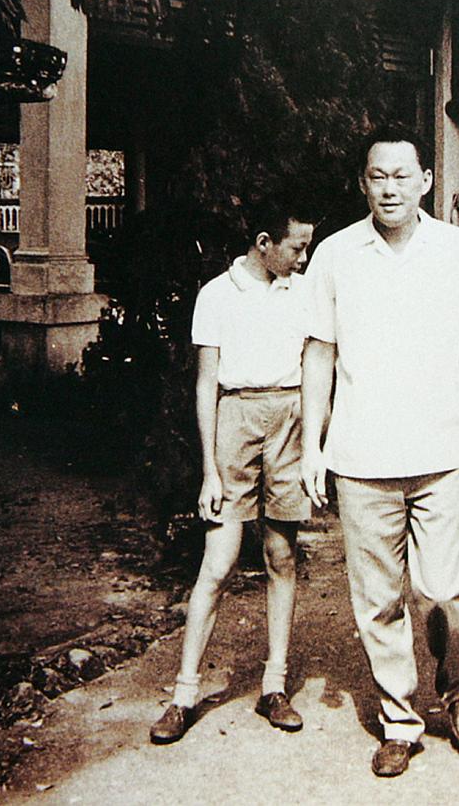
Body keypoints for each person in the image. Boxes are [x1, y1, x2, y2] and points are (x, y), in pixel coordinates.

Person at [300, 125, 459, 778]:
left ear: (425, 181)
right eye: (377, 176)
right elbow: (318, 353)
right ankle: (399, 721)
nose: (389, 187)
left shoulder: (454, 249)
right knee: (378, 599)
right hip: (361, 458)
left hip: (442, 450)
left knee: (446, 591)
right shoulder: (335, 255)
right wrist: (312, 446)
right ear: (363, 183)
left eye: (402, 176)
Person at [150, 199, 317, 745]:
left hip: (290, 417)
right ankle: (183, 694)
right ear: (265, 242)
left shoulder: (303, 290)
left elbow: (319, 366)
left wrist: (314, 443)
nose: (304, 256)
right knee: (218, 562)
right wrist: (210, 472)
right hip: (235, 419)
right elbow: (206, 385)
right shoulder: (217, 294)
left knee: (280, 555)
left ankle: (274, 686)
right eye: (297, 246)